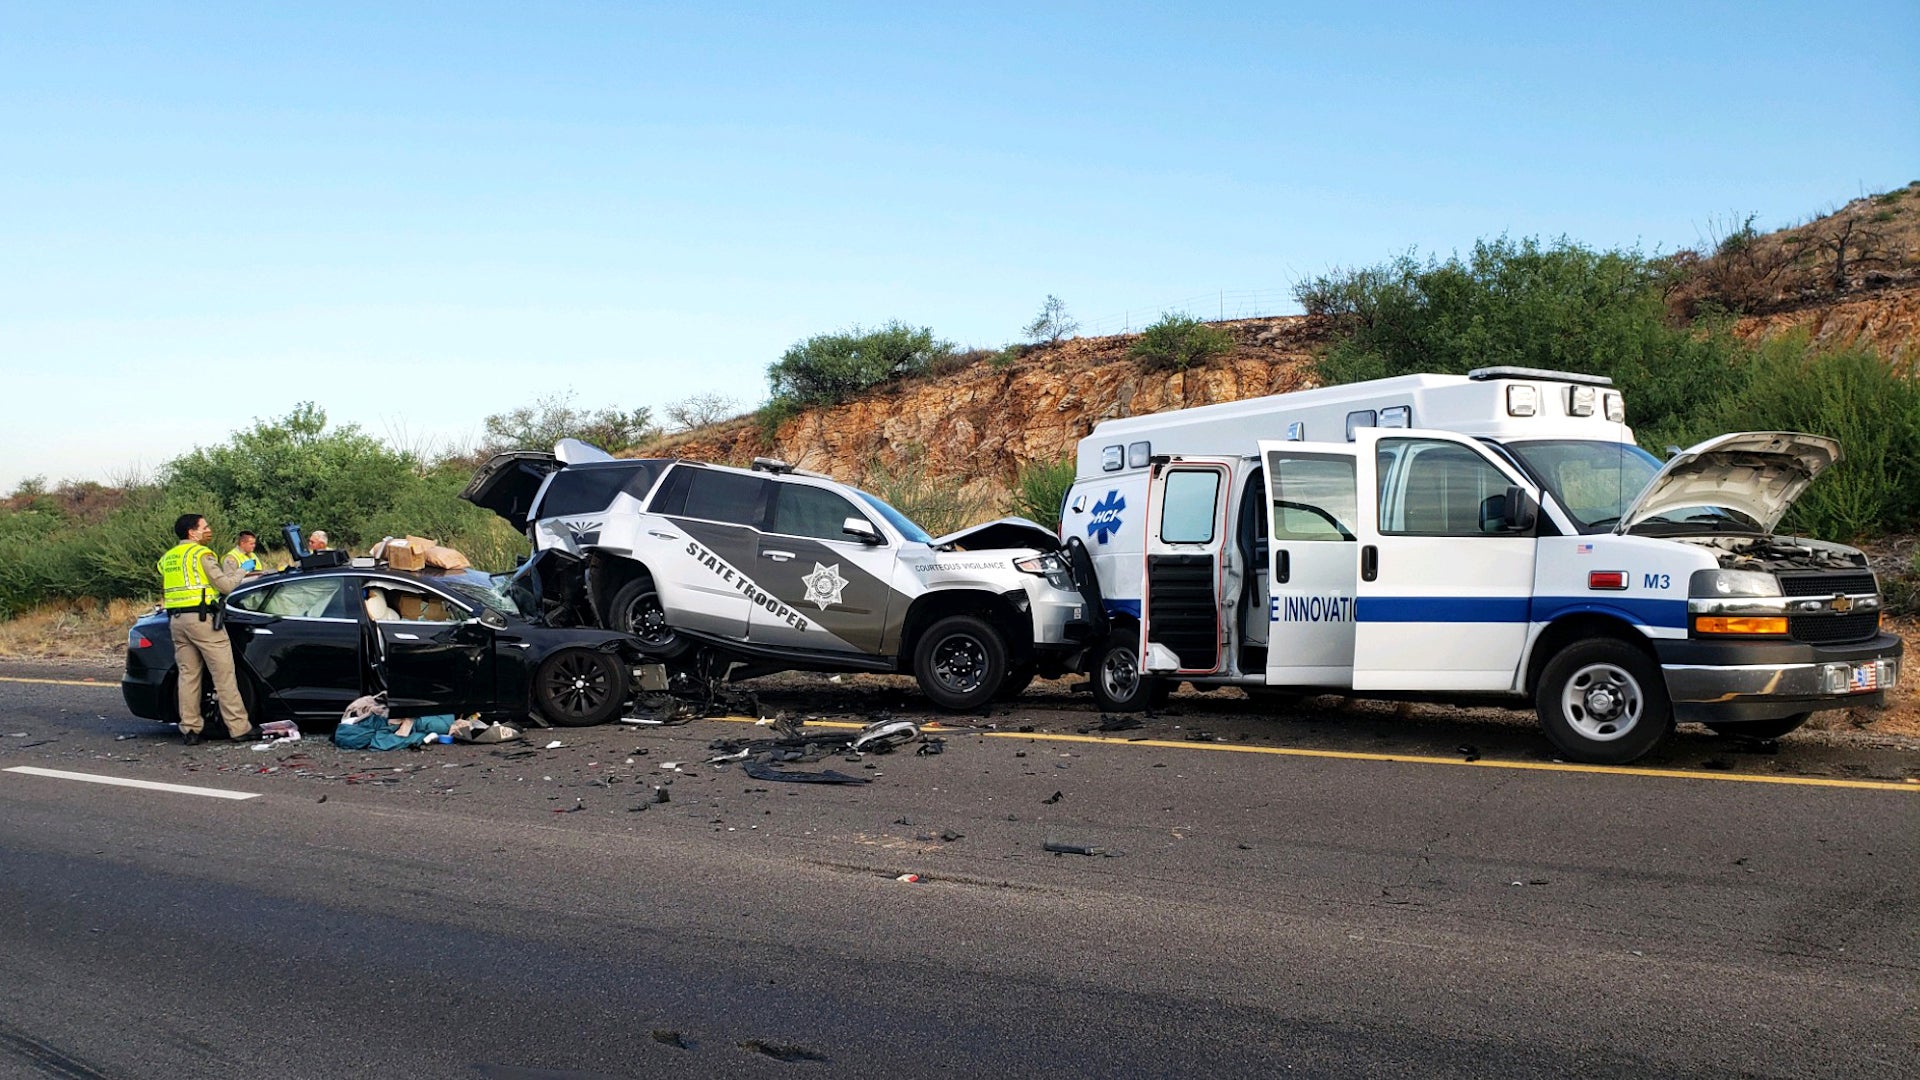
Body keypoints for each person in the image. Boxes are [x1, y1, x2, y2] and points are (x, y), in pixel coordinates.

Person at [159, 514, 256, 746]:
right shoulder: (201, 554)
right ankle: (239, 728)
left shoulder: (168, 557)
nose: (209, 530)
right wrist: (242, 570)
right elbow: (225, 586)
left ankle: (190, 729)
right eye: (205, 527)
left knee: (188, 676)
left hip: (177, 621)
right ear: (192, 532)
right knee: (223, 675)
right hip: (202, 621)